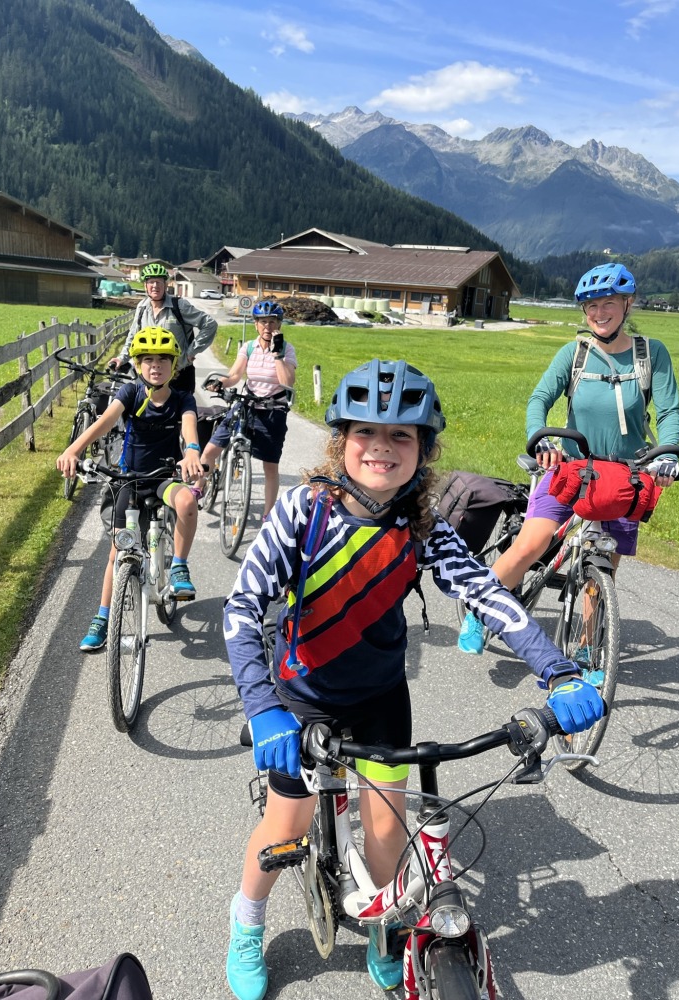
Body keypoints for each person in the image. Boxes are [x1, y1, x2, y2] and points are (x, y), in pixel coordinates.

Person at [222, 358, 604, 1000]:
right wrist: (263, 708)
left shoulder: (421, 527)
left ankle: (382, 928)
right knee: (284, 826)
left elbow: (487, 594)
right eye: (367, 432)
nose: (381, 447)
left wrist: (557, 670)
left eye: (402, 435)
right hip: (300, 698)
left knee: (386, 843)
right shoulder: (301, 511)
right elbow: (240, 608)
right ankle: (247, 922)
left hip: (377, 699)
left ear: (423, 450)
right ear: (341, 441)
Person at [457, 262, 679, 659]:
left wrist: (665, 454)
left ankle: (586, 644)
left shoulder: (651, 354)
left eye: (608, 303)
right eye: (591, 306)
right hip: (572, 470)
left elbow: (669, 412)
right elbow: (539, 400)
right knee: (530, 545)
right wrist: (541, 438)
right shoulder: (574, 353)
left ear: (627, 304)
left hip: (625, 478)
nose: (599, 313)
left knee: (604, 566)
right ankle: (481, 609)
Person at [57, 327, 204, 652]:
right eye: (147, 360)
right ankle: (102, 617)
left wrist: (192, 451)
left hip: (165, 475)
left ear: (174, 365)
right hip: (131, 480)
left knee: (186, 502)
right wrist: (75, 449)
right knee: (116, 553)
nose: (155, 366)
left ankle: (178, 564)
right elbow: (105, 421)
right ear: (138, 365)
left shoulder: (182, 398)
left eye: (163, 360)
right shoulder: (131, 393)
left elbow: (189, 424)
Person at [199, 300, 297, 519]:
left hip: (273, 411)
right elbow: (235, 375)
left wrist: (277, 355)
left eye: (272, 322)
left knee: (270, 467)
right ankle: (198, 489)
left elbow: (288, 382)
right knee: (210, 450)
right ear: (255, 324)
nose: (268, 327)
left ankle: (268, 517)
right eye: (263, 322)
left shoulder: (287, 349)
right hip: (247, 406)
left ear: (279, 324)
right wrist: (220, 383)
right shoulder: (249, 347)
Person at [110, 262, 218, 395]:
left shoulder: (179, 306)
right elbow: (133, 336)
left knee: (182, 413)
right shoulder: (142, 307)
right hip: (151, 375)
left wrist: (191, 352)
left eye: (159, 282)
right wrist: (122, 358)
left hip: (179, 374)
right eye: (151, 282)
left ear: (166, 285)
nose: (155, 286)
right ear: (145, 285)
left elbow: (210, 324)